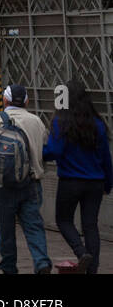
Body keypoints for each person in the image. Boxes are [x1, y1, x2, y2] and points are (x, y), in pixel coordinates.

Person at [0, 84, 52, 274]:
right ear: (26, 101)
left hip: (2, 186)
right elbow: (45, 149)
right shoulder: (36, 121)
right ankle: (41, 262)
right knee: (34, 225)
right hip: (31, 183)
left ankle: (9, 268)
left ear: (5, 100)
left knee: (6, 229)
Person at [43, 79, 112, 274]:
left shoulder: (60, 122)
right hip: (95, 183)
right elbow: (106, 157)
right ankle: (92, 269)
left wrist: (38, 152)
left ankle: (81, 253)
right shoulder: (97, 123)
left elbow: (54, 152)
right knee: (91, 225)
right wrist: (108, 183)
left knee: (64, 220)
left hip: (70, 182)